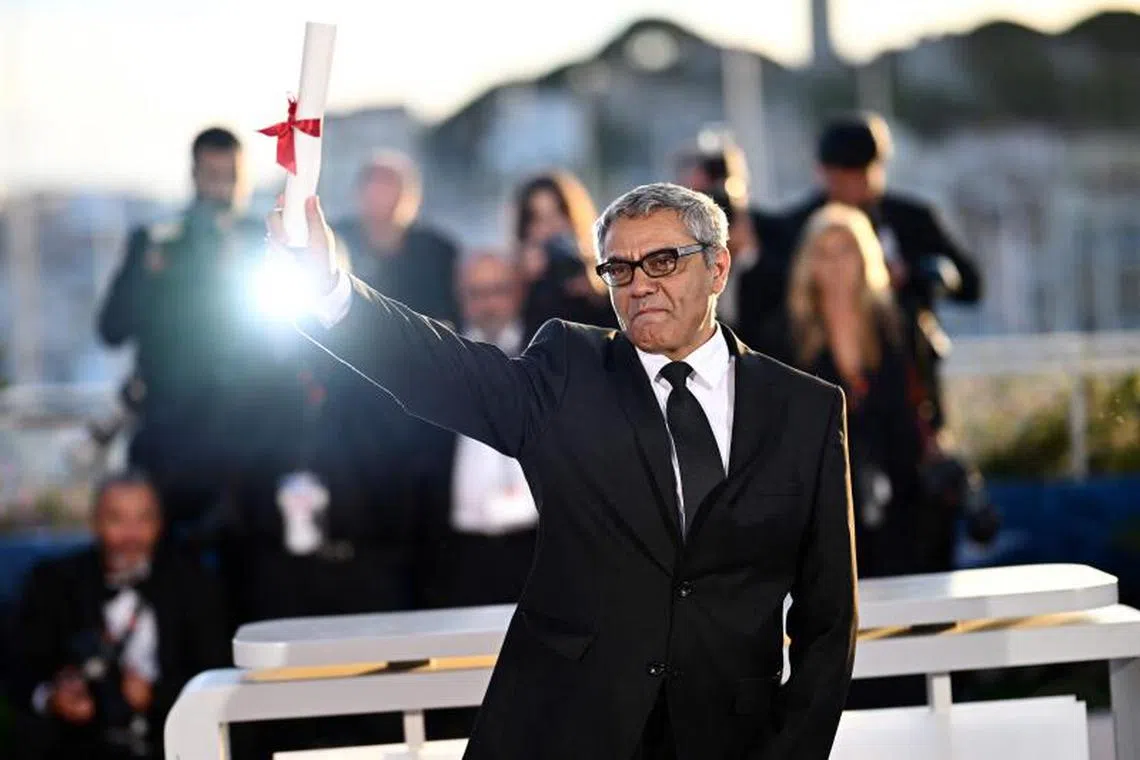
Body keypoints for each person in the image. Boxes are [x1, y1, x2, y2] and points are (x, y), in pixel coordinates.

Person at [272, 182, 857, 760]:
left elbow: (828, 618)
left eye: (662, 261)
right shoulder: (568, 370)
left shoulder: (805, 409)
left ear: (718, 267)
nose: (640, 285)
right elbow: (443, 371)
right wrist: (330, 290)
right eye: (620, 270)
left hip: (730, 738)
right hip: (570, 728)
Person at [96, 127, 266, 538]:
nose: (221, 188)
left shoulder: (262, 241)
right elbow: (111, 328)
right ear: (193, 175)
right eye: (212, 175)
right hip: (169, 436)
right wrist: (152, 279)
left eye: (231, 176)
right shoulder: (156, 243)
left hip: (248, 442)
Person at [777, 113, 983, 431]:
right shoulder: (798, 226)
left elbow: (970, 284)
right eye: (841, 174)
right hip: (820, 377)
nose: (850, 185)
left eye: (859, 173)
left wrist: (913, 275)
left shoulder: (911, 220)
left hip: (904, 381)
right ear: (823, 172)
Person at [7, 472, 229, 760]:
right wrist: (52, 697)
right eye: (117, 519)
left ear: (160, 524)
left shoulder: (193, 583)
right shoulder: (53, 582)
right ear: (95, 522)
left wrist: (155, 695)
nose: (131, 534)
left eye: (143, 519)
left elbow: (218, 672)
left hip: (169, 744)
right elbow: (18, 667)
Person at [783, 203, 930, 579]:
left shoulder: (897, 325)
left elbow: (921, 407)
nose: (834, 263)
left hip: (902, 497)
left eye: (845, 249)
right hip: (825, 507)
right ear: (808, 264)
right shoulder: (788, 336)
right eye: (823, 252)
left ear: (865, 256)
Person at [332, 151, 460, 326]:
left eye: (389, 186)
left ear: (412, 196)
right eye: (374, 185)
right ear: (358, 193)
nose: (381, 197)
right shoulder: (335, 242)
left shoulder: (438, 252)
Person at [512, 172, 617, 338]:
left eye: (558, 214)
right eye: (537, 219)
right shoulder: (514, 281)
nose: (549, 227)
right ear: (524, 228)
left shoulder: (604, 270)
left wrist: (597, 293)